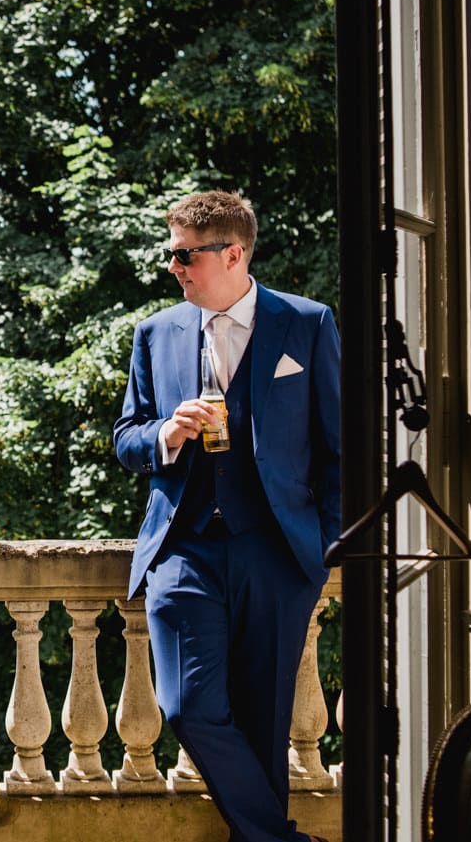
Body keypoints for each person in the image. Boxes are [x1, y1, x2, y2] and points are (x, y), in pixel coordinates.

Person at [112, 190, 339, 842]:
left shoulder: (307, 323)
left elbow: (341, 450)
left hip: (277, 552)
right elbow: (127, 436)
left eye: (185, 254)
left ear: (232, 253)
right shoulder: (156, 333)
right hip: (187, 550)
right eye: (172, 253)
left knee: (265, 721)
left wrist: (322, 544)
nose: (174, 266)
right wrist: (166, 434)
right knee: (190, 705)